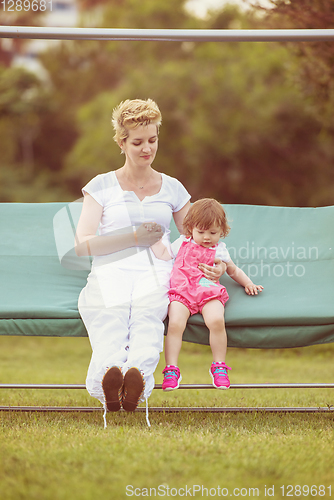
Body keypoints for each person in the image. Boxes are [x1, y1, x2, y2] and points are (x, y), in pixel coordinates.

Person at [74, 99, 225, 426]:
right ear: (121, 142)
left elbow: (194, 238)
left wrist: (214, 267)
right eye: (138, 142)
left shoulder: (172, 187)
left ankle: (135, 380)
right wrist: (134, 237)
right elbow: (83, 244)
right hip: (110, 269)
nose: (147, 148)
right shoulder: (101, 186)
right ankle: (109, 382)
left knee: (146, 321)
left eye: (152, 140)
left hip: (157, 271)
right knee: (109, 321)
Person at [152, 198, 263, 392]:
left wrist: (248, 283)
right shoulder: (182, 243)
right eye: (200, 232)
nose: (206, 237)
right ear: (190, 229)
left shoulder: (219, 249)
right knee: (175, 323)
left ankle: (219, 366)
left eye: (213, 232)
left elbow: (233, 270)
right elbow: (165, 256)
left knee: (216, 321)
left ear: (222, 231)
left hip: (207, 290)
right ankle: (171, 368)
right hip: (182, 291)